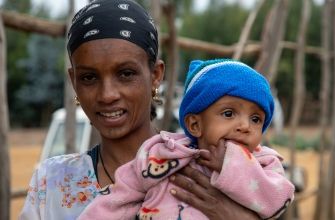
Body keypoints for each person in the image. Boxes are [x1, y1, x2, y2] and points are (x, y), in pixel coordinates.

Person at [19, 0, 259, 219]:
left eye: (125, 74)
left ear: (155, 76)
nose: (107, 95)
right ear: (74, 82)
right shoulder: (52, 183)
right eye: (89, 77)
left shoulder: (210, 168)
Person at [78, 59, 295, 220]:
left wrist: (232, 164)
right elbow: (117, 199)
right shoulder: (161, 153)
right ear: (195, 125)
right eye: (229, 114)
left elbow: (276, 202)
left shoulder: (265, 163)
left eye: (256, 119)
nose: (245, 126)